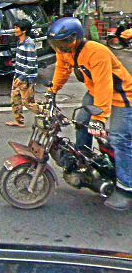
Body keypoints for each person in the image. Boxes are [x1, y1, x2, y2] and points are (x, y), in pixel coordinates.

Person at [48, 17, 132, 211]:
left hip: (122, 96)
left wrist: (99, 119)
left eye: (63, 43)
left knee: (120, 139)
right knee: (81, 121)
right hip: (95, 92)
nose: (60, 48)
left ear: (75, 38)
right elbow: (62, 69)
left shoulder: (96, 52)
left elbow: (105, 86)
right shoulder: (65, 50)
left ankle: (125, 188)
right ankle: (83, 161)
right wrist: (52, 90)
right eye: (56, 44)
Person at [6, 19, 43, 128]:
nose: (15, 30)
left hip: (26, 78)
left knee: (28, 103)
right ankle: (19, 121)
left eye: (17, 28)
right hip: (18, 75)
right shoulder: (20, 42)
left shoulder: (29, 44)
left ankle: (47, 114)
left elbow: (32, 64)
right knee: (15, 99)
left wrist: (22, 77)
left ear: (24, 30)